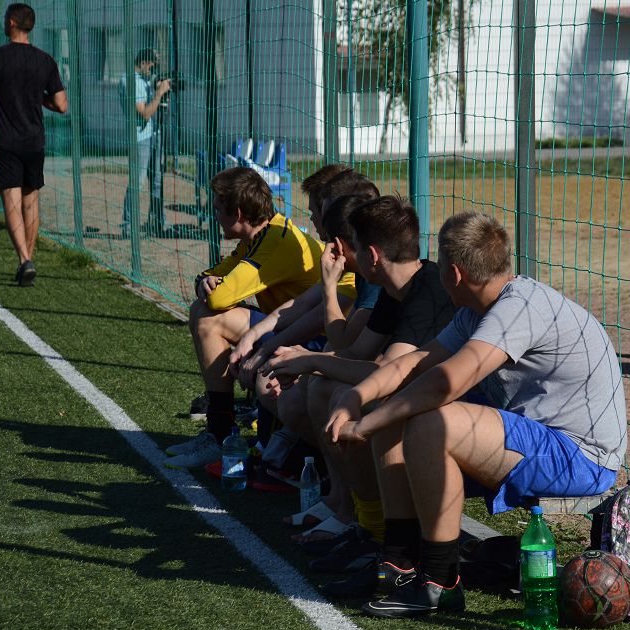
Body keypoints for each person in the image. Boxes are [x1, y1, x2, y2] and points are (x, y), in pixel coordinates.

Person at [325, 212, 627, 616]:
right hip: (540, 439)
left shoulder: (520, 306)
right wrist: (356, 397)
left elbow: (445, 383)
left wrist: (365, 425)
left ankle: (439, 583)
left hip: (581, 458)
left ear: (453, 273)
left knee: (431, 420)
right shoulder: (477, 309)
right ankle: (398, 565)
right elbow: (414, 364)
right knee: (396, 410)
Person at [260, 196, 456, 587]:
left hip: (453, 407)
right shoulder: (395, 289)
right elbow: (352, 351)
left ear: (372, 255)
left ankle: (381, 536)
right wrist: (328, 291)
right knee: (324, 387)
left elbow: (387, 374)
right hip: (425, 396)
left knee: (362, 399)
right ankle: (362, 524)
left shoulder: (426, 291)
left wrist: (310, 360)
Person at [163, 167, 356, 469]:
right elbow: (216, 276)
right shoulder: (262, 235)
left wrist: (263, 349)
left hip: (314, 339)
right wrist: (204, 281)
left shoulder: (276, 241)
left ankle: (230, 434)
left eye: (218, 210)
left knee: (211, 319)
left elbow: (220, 297)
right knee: (203, 312)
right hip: (292, 328)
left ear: (238, 213)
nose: (215, 216)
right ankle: (221, 430)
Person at [0, 3, 67, 286]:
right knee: (30, 202)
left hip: (6, 141)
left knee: (11, 201)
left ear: (11, 22)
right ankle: (27, 261)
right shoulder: (46, 60)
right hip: (34, 141)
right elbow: (62, 105)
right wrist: (37, 96)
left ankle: (24, 260)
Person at [119, 48, 171, 235]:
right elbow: (145, 113)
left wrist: (159, 89)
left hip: (154, 134)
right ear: (143, 63)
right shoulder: (130, 82)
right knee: (138, 182)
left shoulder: (144, 80)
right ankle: (128, 225)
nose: (153, 71)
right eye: (151, 66)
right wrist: (159, 93)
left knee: (157, 181)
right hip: (140, 138)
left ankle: (158, 221)